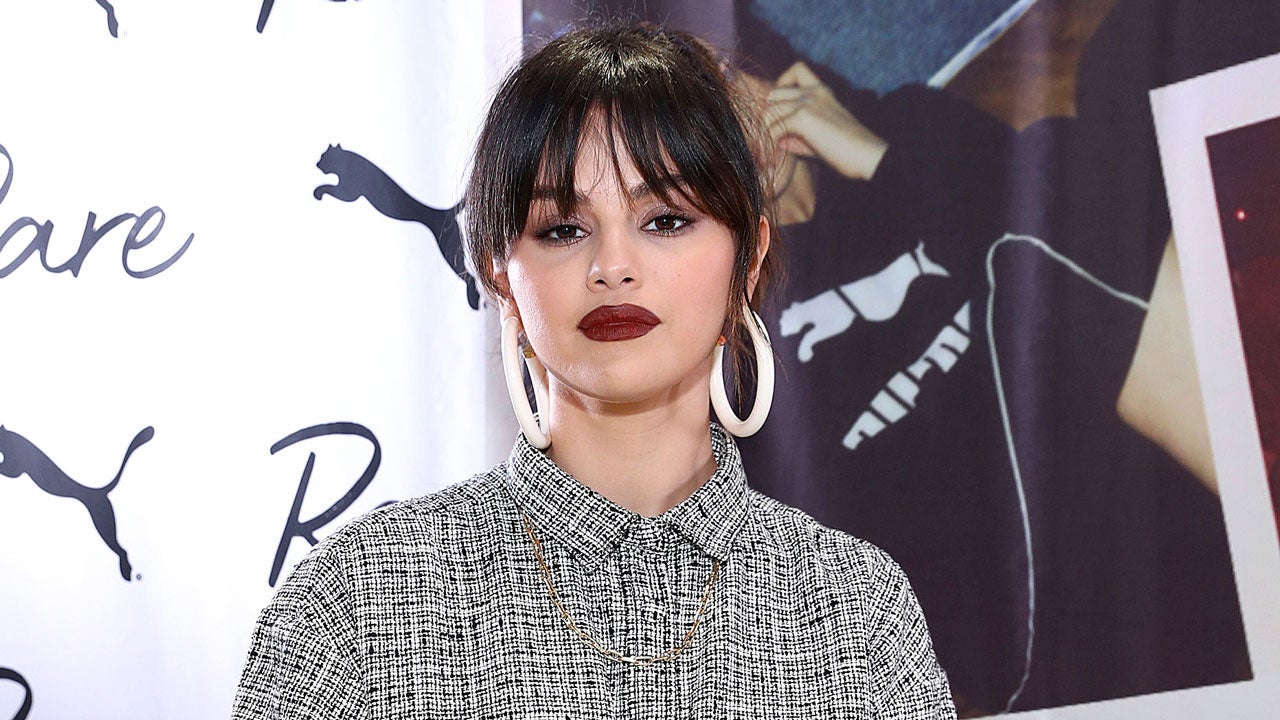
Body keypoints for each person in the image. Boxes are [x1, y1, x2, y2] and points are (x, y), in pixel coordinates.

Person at [230, 24, 955, 718]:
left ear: (750, 257)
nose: (613, 266)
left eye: (665, 219)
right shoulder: (358, 604)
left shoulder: (855, 612)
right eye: (563, 229)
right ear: (502, 278)